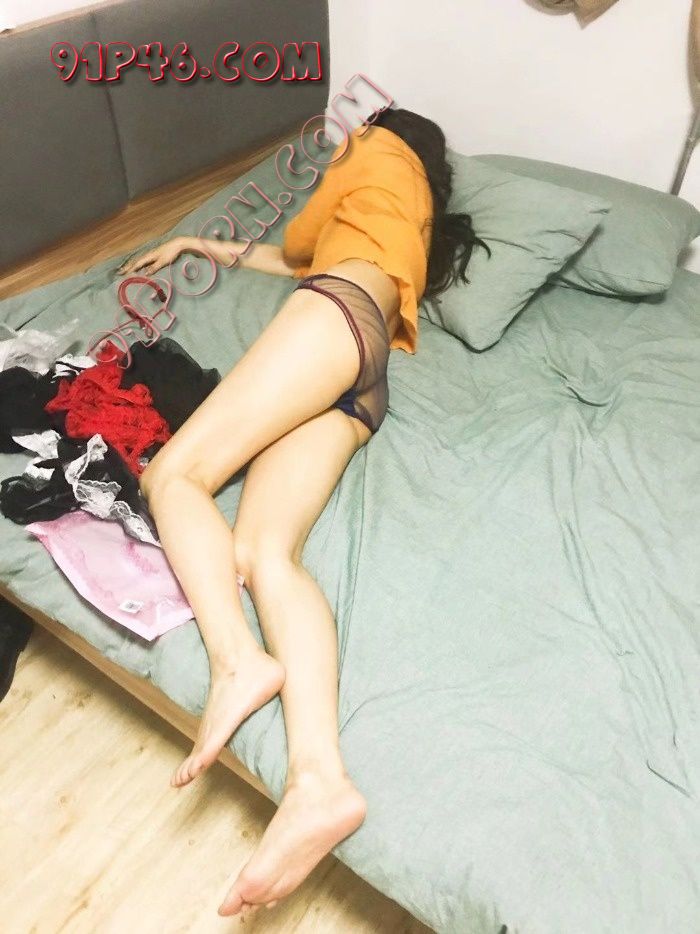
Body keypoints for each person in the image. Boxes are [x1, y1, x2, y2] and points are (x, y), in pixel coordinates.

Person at [116, 106, 488, 917]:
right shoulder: (413, 213)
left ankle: (236, 662)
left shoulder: (370, 150)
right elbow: (297, 260)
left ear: (379, 130)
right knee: (263, 553)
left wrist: (334, 168)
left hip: (333, 316)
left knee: (174, 476)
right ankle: (319, 780)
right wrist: (197, 244)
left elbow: (299, 243)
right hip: (368, 366)